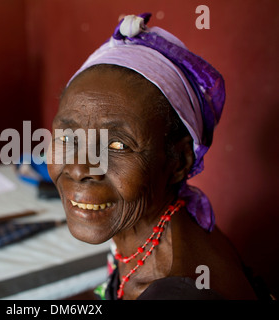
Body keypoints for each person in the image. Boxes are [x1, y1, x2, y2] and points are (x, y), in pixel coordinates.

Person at [47, 13, 270, 299]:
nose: (79, 168)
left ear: (179, 161)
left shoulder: (178, 288)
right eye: (67, 138)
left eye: (116, 146)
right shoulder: (154, 233)